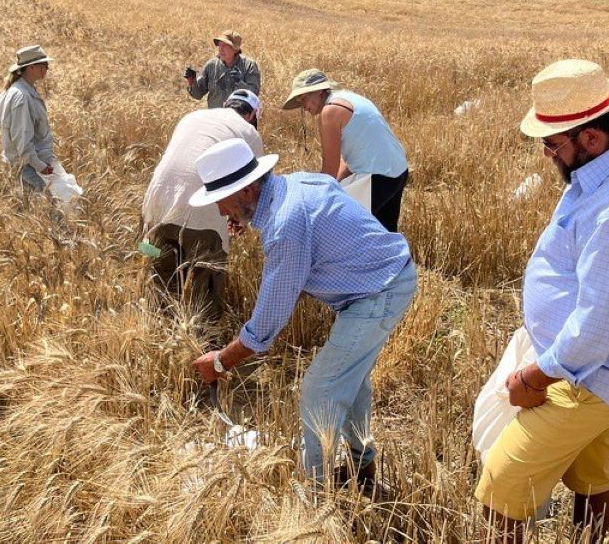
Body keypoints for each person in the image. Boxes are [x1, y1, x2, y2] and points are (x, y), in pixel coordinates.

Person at [475, 60, 609, 542]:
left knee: (501, 488)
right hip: (586, 366)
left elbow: (596, 329)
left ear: (590, 138)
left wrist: (534, 376)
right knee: (592, 477)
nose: (548, 155)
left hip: (586, 375)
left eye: (552, 143)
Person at [188, 138, 416, 492]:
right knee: (350, 383)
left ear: (247, 190)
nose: (221, 213)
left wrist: (221, 361)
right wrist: (248, 219)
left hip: (379, 292)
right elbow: (322, 210)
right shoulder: (296, 184)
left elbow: (269, 319)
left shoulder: (285, 226)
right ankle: (362, 469)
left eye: (223, 202)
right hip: (386, 277)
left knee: (317, 391)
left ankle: (317, 495)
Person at [141, 90, 263, 317]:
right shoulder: (249, 132)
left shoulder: (191, 117)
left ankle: (161, 335)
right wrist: (241, 220)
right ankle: (204, 343)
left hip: (155, 205)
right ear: (252, 114)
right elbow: (251, 188)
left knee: (160, 275)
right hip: (203, 212)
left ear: (226, 104)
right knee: (203, 287)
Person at [281, 69, 409, 232]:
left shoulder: (330, 111)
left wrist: (314, 200)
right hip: (398, 172)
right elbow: (348, 160)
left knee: (344, 232)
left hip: (378, 177)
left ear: (320, 91)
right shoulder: (350, 98)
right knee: (386, 235)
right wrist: (337, 185)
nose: (304, 106)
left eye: (305, 98)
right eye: (300, 102)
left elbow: (329, 170)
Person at [0, 45, 57, 192]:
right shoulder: (22, 96)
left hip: (27, 164)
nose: (47, 68)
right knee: (48, 207)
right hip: (30, 167)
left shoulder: (17, 89)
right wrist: (41, 166)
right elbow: (22, 138)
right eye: (44, 65)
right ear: (32, 67)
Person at [184, 30, 261, 109]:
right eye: (219, 45)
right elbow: (198, 95)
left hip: (238, 119)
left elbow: (254, 95)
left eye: (225, 45)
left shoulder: (249, 65)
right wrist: (192, 81)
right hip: (216, 118)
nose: (221, 49)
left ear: (235, 49)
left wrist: (240, 83)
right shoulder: (211, 65)